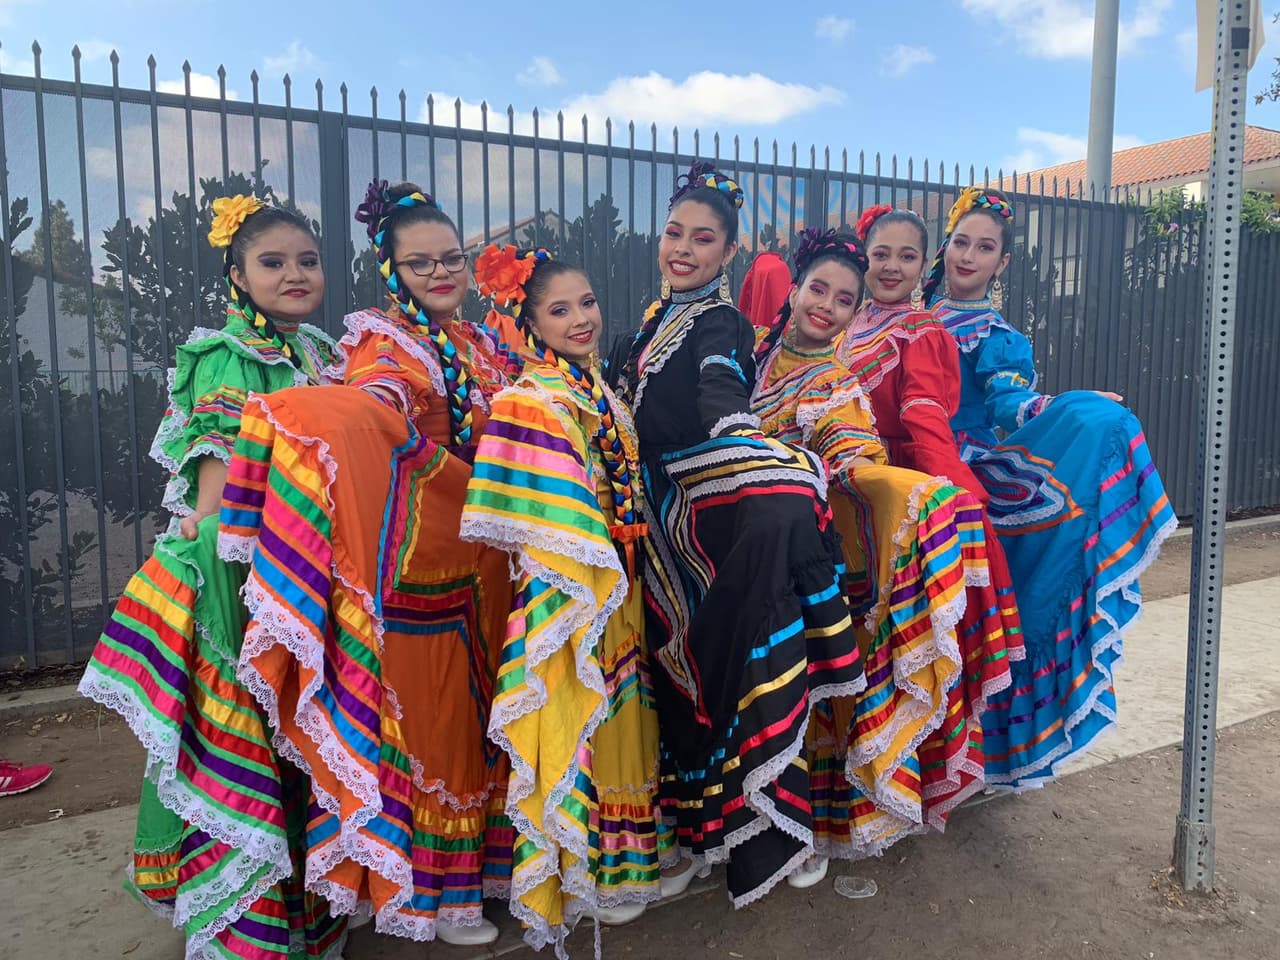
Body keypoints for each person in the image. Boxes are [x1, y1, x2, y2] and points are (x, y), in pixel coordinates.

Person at [221, 182, 514, 946]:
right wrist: (332, 416)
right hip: (424, 566)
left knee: (483, 717)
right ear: (391, 270)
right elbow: (373, 410)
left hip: (487, 559)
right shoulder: (383, 344)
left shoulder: (484, 343)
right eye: (420, 263)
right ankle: (434, 898)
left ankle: (480, 875)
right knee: (436, 723)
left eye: (451, 258)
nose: (441, 273)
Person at [78, 196, 347, 959]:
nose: (294, 274)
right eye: (272, 262)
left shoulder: (318, 350)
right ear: (237, 274)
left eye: (307, 261)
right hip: (245, 568)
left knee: (299, 730)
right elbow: (218, 478)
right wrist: (217, 545)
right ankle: (245, 928)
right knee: (249, 726)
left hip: (306, 566)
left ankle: (303, 914)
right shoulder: (228, 355)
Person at [614, 162, 865, 907]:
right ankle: (697, 838)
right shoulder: (648, 326)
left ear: (730, 252)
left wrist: (744, 443)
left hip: (699, 516)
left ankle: (780, 834)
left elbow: (721, 390)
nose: (683, 249)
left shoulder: (719, 322)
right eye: (674, 233)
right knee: (677, 679)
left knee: (736, 664)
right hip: (655, 527)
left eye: (704, 239)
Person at [752, 227, 998, 863]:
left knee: (797, 687)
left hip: (796, 549)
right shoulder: (754, 352)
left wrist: (922, 493)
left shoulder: (835, 382)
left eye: (843, 299)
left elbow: (856, 447)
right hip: (730, 539)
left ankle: (798, 825)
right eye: (818, 290)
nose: (827, 307)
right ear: (795, 289)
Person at [926, 188, 1177, 788]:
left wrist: (1059, 405)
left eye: (985, 248)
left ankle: (964, 747)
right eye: (961, 242)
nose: (968, 256)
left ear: (1002, 263)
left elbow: (1008, 402)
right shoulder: (911, 315)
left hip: (955, 465)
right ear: (945, 246)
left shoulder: (997, 336)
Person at [462, 245, 667, 951]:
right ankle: (587, 871)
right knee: (582, 716)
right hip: (572, 590)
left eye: (587, 303)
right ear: (529, 323)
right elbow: (536, 513)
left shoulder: (596, 388)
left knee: (624, 717)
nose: (581, 319)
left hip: (621, 584)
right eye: (559, 310)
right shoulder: (530, 401)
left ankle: (628, 862)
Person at [834, 205, 1022, 826]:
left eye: (906, 256)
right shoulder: (847, 323)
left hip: (897, 493)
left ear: (923, 266)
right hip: (844, 491)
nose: (891, 266)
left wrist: (953, 495)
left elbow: (924, 417)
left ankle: (898, 778)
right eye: (881, 254)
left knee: (890, 637)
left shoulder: (921, 331)